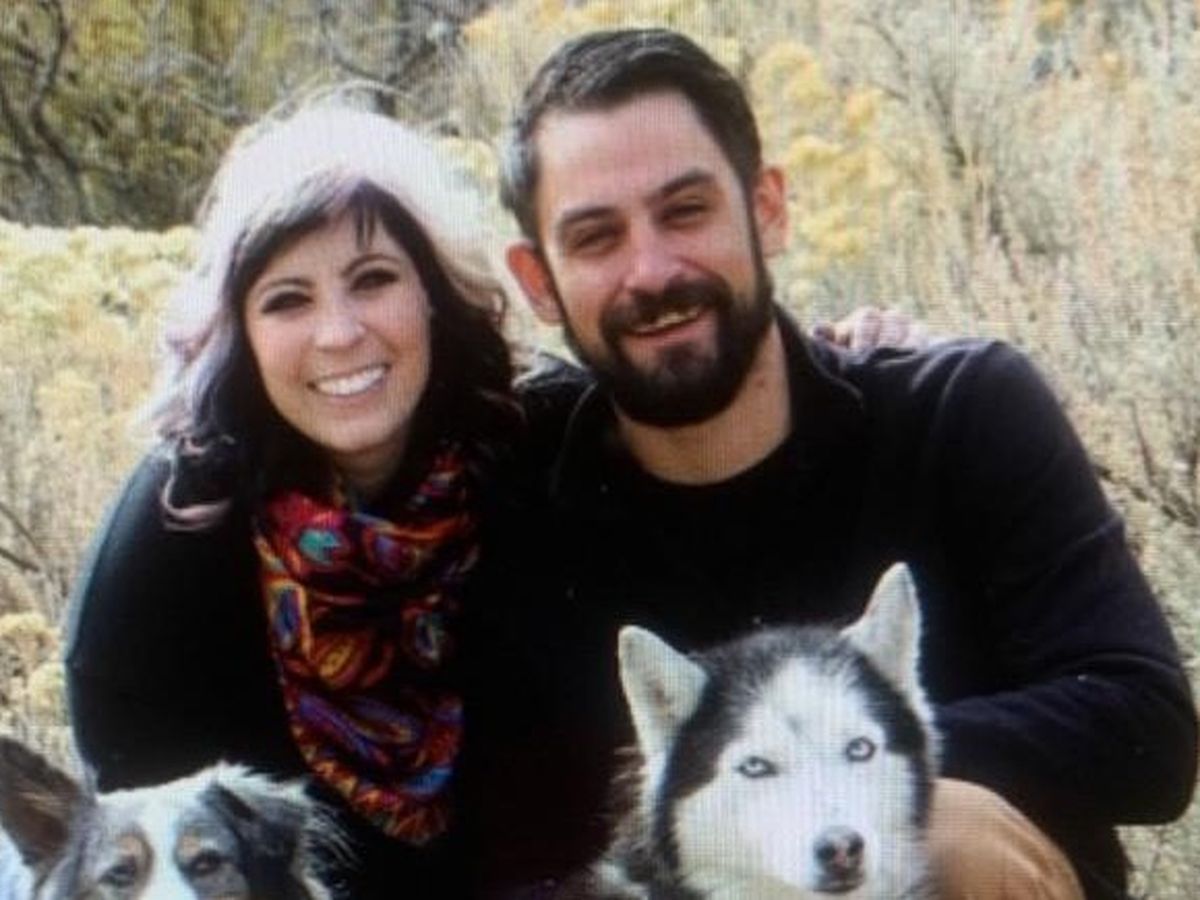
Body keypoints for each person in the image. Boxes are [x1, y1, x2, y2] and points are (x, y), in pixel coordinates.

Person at [463, 27, 1199, 899]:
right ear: (537, 280)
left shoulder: (957, 412)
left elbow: (1145, 728)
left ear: (767, 209)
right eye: (595, 238)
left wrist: (848, 752)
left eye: (686, 210)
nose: (651, 271)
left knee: (951, 835)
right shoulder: (518, 495)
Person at [63, 104, 523, 898]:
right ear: (238, 332)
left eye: (373, 280)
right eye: (287, 300)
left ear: (435, 293)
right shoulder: (158, 566)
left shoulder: (530, 455)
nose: (338, 333)